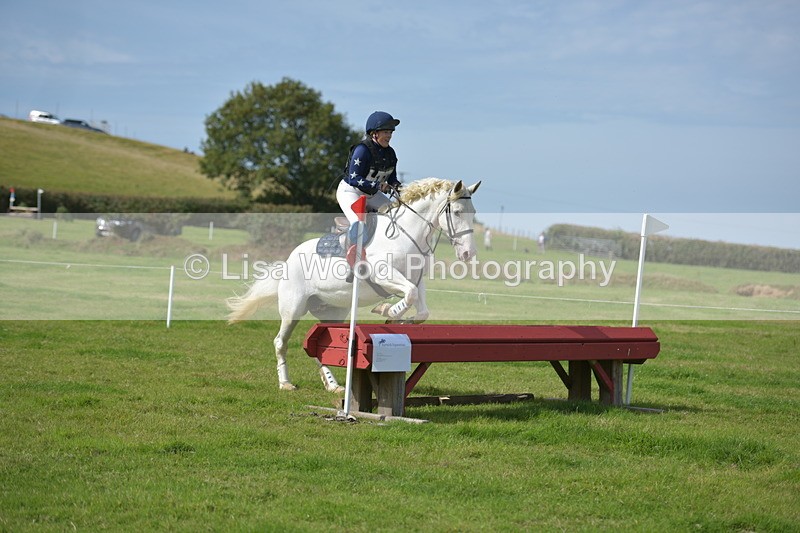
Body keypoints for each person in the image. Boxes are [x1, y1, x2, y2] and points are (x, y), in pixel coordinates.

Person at [336, 111, 402, 225]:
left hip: (372, 194)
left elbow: (392, 179)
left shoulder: (390, 153)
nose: (389, 136)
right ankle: (343, 241)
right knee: (359, 224)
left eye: (391, 132)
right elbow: (354, 179)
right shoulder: (362, 150)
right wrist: (378, 185)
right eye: (386, 132)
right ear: (374, 133)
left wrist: (399, 187)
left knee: (397, 216)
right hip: (351, 192)